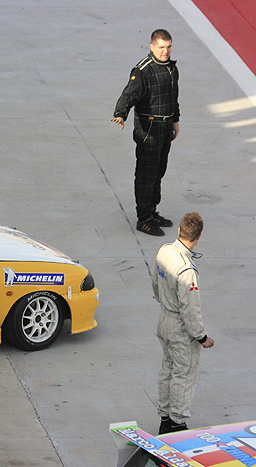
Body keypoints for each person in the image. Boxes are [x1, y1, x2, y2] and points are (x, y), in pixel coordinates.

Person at [112, 29, 180, 237]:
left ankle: (152, 212)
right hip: (149, 131)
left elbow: (173, 97)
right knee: (145, 175)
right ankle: (144, 219)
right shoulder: (143, 70)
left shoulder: (171, 69)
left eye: (168, 47)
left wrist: (175, 121)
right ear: (152, 47)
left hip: (166, 128)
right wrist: (120, 114)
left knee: (159, 171)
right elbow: (129, 94)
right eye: (161, 47)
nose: (165, 51)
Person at [152, 212, 214, 434]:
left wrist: (164, 302)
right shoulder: (187, 270)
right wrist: (201, 337)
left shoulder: (165, 251)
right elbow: (190, 310)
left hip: (164, 319)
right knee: (184, 373)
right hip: (179, 327)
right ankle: (176, 424)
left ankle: (164, 416)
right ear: (198, 237)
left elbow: (155, 284)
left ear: (179, 231)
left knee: (168, 368)